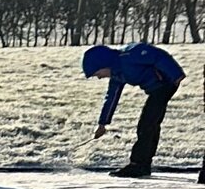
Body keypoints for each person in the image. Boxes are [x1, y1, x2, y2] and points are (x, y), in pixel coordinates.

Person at [82, 40, 192, 179]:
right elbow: (111, 98)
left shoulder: (130, 55)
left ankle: (138, 165)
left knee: (147, 124)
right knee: (150, 124)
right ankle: (143, 164)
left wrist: (176, 76)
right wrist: (102, 124)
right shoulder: (117, 74)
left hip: (167, 84)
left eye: (97, 73)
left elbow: (158, 56)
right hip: (156, 90)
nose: (98, 77)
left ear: (103, 64)